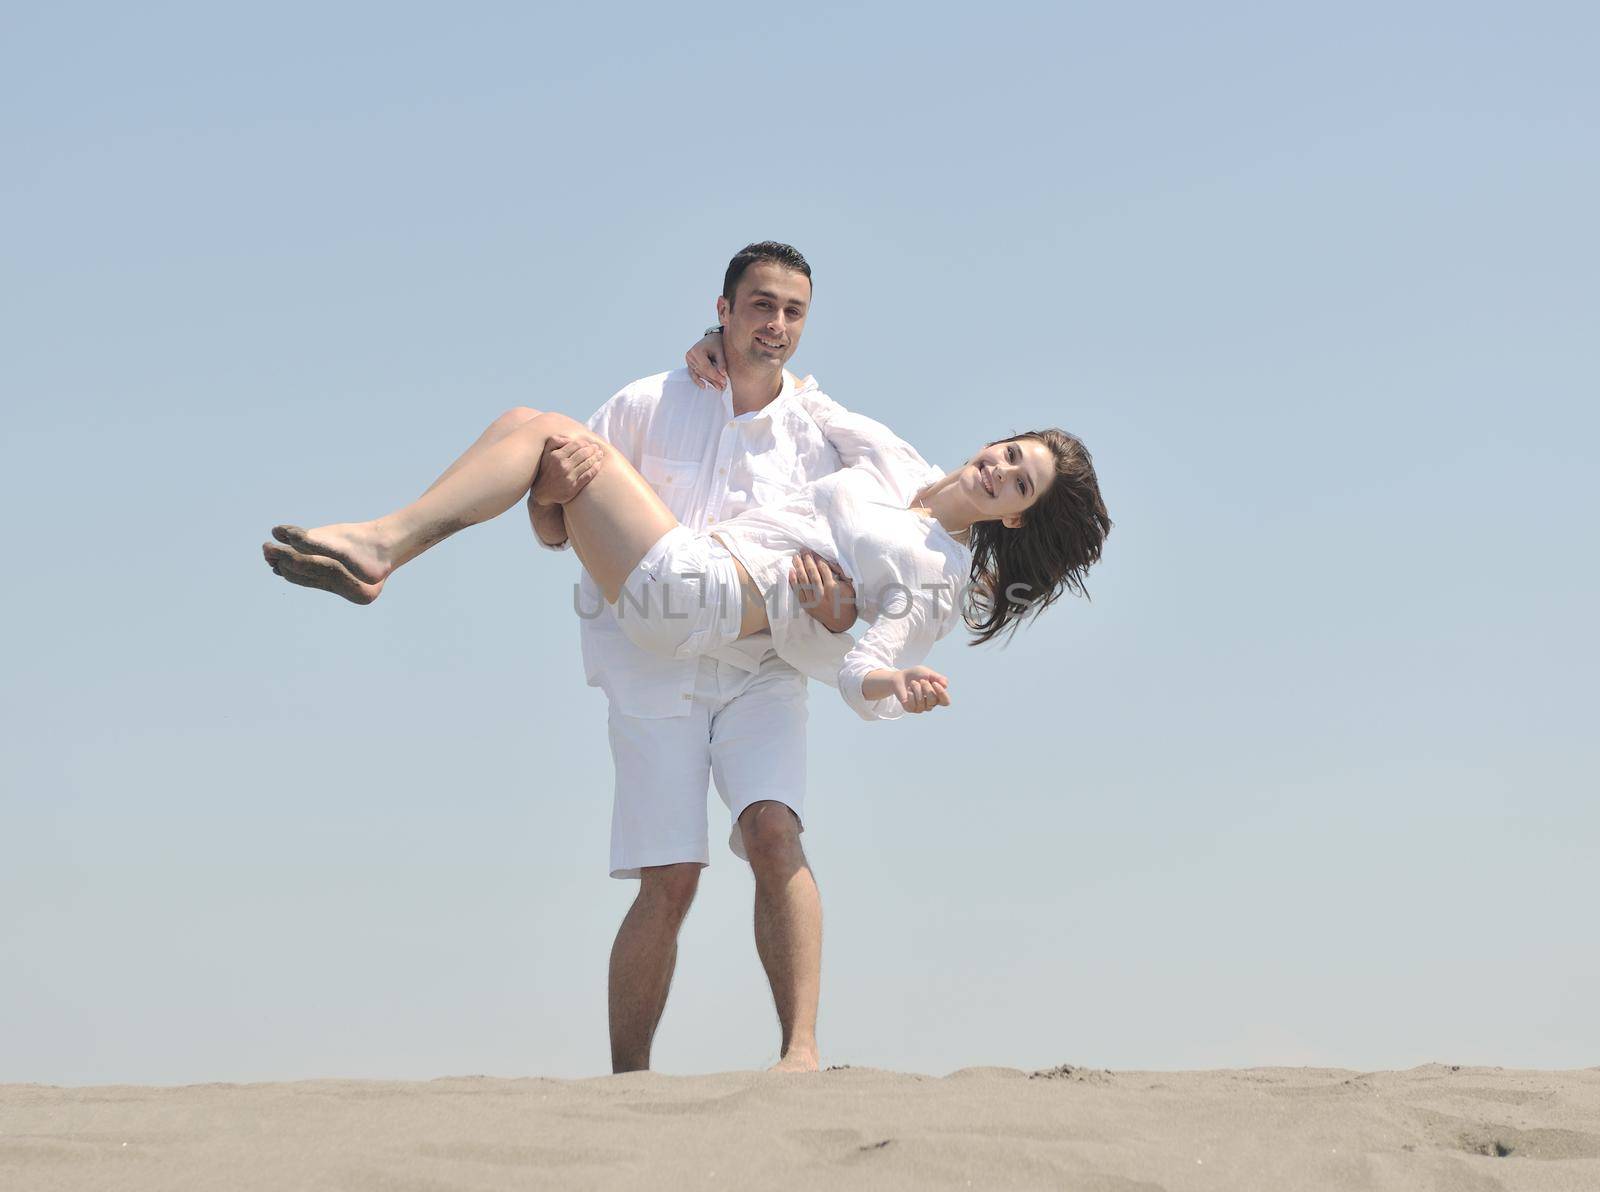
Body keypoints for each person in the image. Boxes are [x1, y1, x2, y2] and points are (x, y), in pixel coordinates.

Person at [261, 243, 1112, 1072]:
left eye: (1020, 483)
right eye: (1010, 451)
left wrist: (888, 672)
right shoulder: (890, 461)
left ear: (1017, 519)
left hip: (702, 593)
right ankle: (380, 545)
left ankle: (384, 543)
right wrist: (712, 360)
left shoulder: (936, 569)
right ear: (728, 308)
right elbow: (797, 408)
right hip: (669, 625)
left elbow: (864, 665)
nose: (999, 468)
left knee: (774, 829)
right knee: (531, 430)